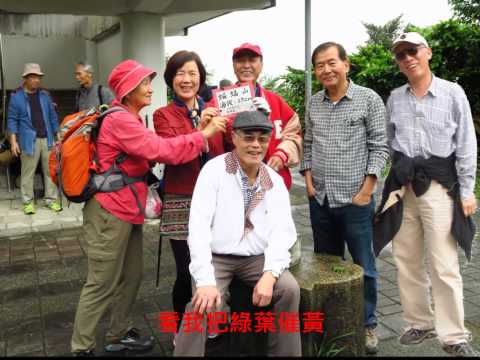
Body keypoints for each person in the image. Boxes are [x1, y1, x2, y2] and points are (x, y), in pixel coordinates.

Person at [70, 59, 226, 356]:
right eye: (144, 83)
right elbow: (160, 150)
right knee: (102, 280)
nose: (150, 88)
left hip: (127, 208)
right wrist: (203, 135)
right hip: (108, 211)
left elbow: (145, 154)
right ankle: (82, 347)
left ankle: (118, 332)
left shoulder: (132, 118)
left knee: (131, 275)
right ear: (127, 89)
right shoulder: (120, 120)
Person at [374, 32, 478, 357]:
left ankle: (453, 335)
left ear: (427, 52)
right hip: (403, 187)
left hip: (440, 187)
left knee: (443, 262)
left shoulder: (452, 93)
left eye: (412, 51)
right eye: (401, 55)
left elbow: (465, 143)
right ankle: (419, 321)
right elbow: (390, 141)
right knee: (406, 259)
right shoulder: (395, 98)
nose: (407, 58)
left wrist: (467, 188)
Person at [173, 110, 301, 357]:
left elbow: (282, 233)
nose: (256, 145)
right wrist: (206, 280)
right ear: (234, 138)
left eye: (262, 139)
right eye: (248, 138)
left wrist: (270, 274)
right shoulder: (214, 171)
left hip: (256, 259)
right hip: (217, 256)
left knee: (289, 289)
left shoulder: (273, 180)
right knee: (201, 301)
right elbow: (198, 227)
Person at [301, 42, 389, 354]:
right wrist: (309, 184)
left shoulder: (369, 99)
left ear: (346, 64)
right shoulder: (314, 103)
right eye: (319, 65)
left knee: (364, 267)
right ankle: (329, 325)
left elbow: (379, 147)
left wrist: (366, 192)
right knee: (325, 267)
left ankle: (366, 325)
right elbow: (307, 144)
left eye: (331, 63)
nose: (325, 69)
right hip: (321, 199)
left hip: (356, 201)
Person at [153, 50, 229, 335]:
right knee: (186, 272)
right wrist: (201, 130)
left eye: (193, 73)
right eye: (180, 74)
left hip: (215, 200)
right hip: (181, 199)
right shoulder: (163, 115)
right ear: (171, 79)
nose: (187, 79)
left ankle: (208, 321)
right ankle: (178, 328)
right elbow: (172, 155)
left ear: (201, 78)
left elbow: (229, 151)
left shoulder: (216, 109)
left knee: (213, 267)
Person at [230, 43, 302, 190]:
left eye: (252, 60)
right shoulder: (222, 101)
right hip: (234, 185)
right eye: (241, 61)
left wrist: (282, 154)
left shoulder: (276, 101)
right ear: (234, 65)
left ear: (261, 65)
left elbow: (295, 135)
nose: (246, 65)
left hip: (274, 182)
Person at [7, 63, 62, 215]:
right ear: (26, 78)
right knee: (28, 173)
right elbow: (12, 120)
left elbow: (52, 117)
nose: (37, 80)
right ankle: (28, 202)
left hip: (48, 139)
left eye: (38, 77)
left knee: (50, 172)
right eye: (33, 77)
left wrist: (58, 135)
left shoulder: (45, 96)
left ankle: (51, 200)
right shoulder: (16, 97)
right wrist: (13, 141)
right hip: (28, 141)